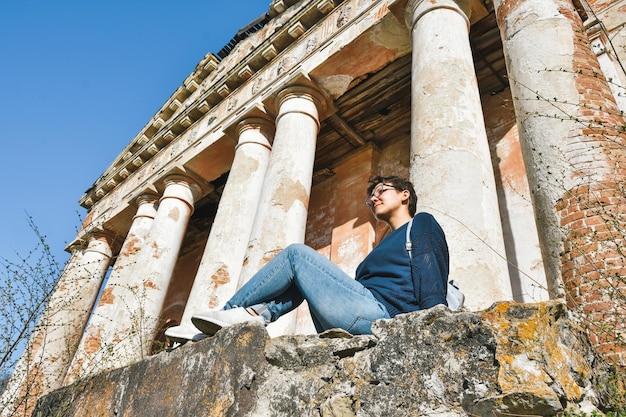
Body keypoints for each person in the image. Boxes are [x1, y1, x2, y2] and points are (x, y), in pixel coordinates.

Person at [165, 175, 449, 342]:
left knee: (296, 255)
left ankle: (232, 312)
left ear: (404, 195)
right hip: (360, 316)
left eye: (381, 191)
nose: (373, 198)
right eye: (370, 197)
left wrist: (434, 324)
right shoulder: (384, 243)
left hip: (382, 317)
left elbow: (430, 272)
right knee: (302, 280)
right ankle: (254, 315)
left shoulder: (421, 223)